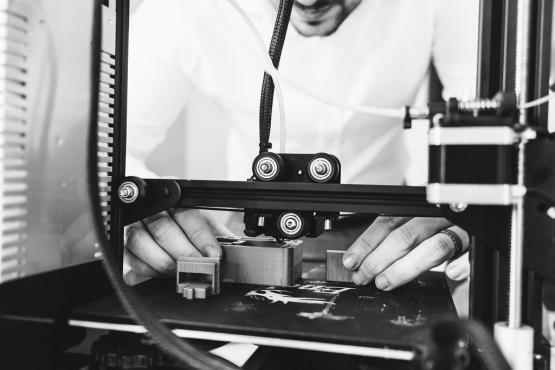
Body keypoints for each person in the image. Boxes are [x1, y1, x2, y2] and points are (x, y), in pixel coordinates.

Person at [124, 0, 477, 290]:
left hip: (385, 235)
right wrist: (136, 214)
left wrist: (471, 210)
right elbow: (106, 146)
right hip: (247, 235)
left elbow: (489, 136)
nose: (309, 2)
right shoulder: (178, 9)